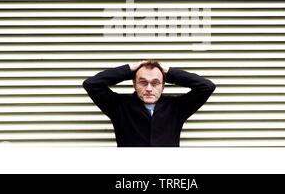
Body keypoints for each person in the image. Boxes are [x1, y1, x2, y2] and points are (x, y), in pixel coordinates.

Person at [82, 60, 216, 147]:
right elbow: (91, 84)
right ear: (134, 84)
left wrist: (168, 72)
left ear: (163, 86)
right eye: (143, 82)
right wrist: (129, 70)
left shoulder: (177, 107)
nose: (149, 89)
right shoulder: (119, 106)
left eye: (156, 83)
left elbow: (207, 86)